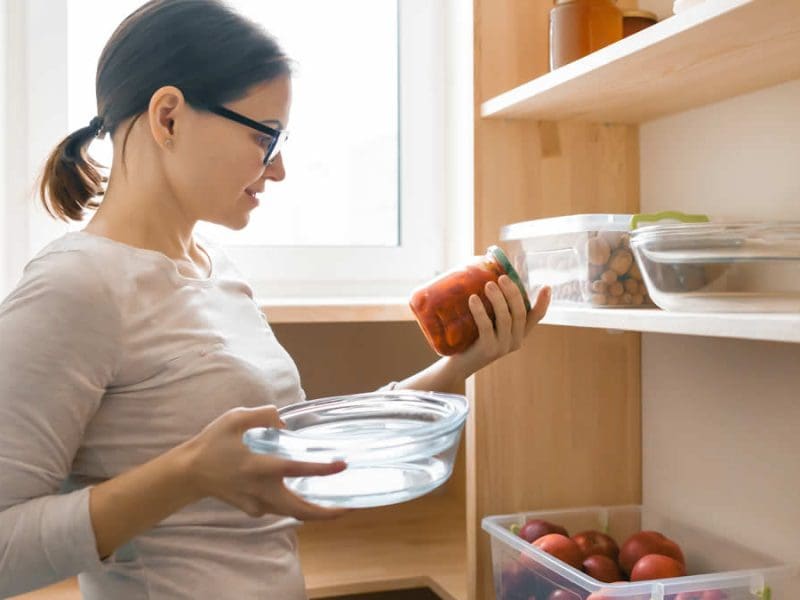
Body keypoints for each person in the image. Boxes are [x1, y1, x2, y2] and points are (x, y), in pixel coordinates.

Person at [0, 1, 551, 598]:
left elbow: (298, 448)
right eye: (266, 136)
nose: (280, 168)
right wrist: (188, 473)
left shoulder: (216, 272)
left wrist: (460, 365)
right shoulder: (75, 286)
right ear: (168, 118)